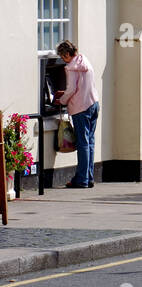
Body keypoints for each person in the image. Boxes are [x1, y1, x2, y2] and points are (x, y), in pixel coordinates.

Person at [55, 40, 99, 188]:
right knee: (90, 141)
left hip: (81, 108)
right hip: (93, 103)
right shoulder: (84, 60)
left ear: (67, 54)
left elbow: (71, 89)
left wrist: (62, 100)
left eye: (62, 57)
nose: (63, 60)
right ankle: (89, 177)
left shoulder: (71, 68)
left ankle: (81, 180)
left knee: (82, 143)